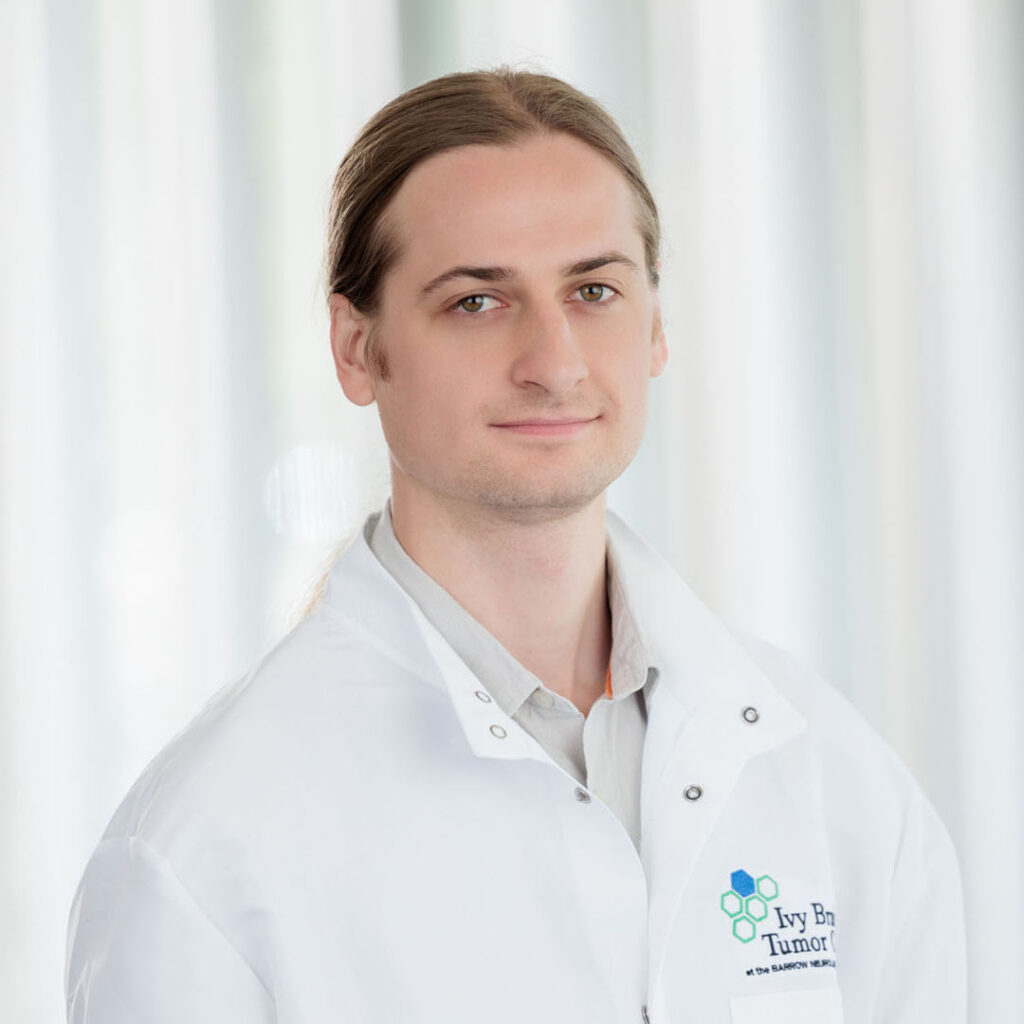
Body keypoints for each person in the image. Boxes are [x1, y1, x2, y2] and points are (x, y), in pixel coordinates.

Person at [65, 68, 965, 1023]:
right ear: (357, 349)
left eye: (593, 289)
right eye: (477, 302)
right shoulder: (204, 851)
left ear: (656, 325)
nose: (554, 363)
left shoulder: (832, 776)